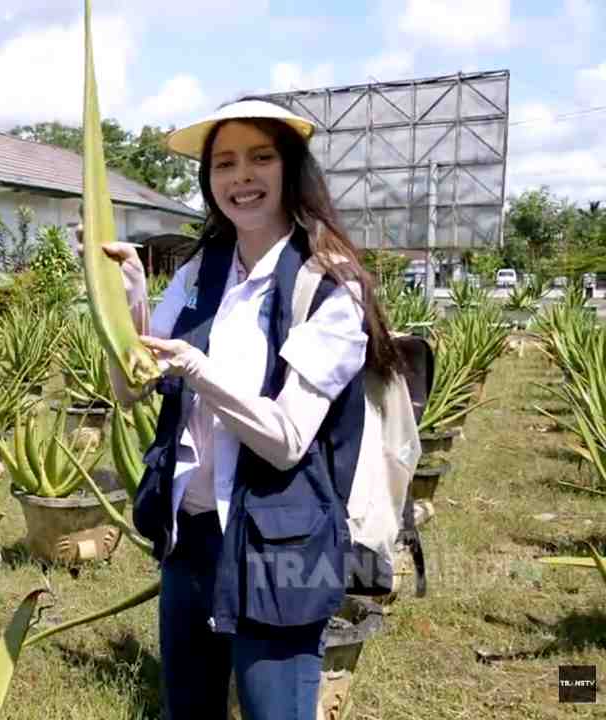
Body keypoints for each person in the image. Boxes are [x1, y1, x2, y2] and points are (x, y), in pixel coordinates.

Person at [102, 97, 402, 719]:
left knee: (275, 710)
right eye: (225, 162)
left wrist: (197, 369)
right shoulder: (199, 272)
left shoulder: (326, 285)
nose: (241, 177)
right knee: (188, 709)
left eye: (260, 158)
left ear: (291, 169)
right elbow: (132, 385)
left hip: (278, 546)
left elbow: (287, 437)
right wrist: (126, 301)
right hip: (192, 534)